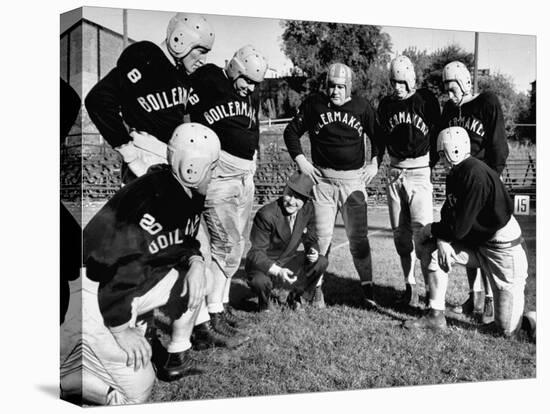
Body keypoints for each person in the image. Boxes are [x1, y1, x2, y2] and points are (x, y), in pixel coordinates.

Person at [60, 123, 222, 405]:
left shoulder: (181, 190)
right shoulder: (155, 201)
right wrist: (122, 329)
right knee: (137, 392)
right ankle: (65, 380)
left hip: (109, 286)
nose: (217, 173)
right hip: (90, 295)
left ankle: (174, 352)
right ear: (192, 168)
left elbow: (182, 240)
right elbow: (108, 268)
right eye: (213, 166)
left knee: (200, 276)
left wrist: (196, 260)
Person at [405, 127, 535, 342]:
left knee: (506, 331)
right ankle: (435, 316)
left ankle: (533, 321)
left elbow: (459, 228)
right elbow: (449, 214)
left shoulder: (475, 175)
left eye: (440, 153)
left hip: (502, 251)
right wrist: (440, 239)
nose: (439, 160)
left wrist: (432, 230)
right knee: (433, 251)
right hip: (478, 244)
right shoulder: (456, 173)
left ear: (452, 151)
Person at [283, 62, 380, 308]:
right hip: (323, 182)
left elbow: (378, 136)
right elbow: (291, 132)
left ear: (349, 87)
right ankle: (316, 291)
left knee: (358, 239)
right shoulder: (315, 103)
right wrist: (302, 161)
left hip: (353, 182)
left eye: (340, 87)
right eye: (331, 86)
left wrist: (375, 163)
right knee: (320, 238)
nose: (335, 91)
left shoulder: (361, 106)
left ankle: (368, 289)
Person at [187, 45, 268, 330]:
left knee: (236, 246)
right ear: (235, 68)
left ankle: (221, 303)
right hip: (220, 174)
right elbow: (185, 111)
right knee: (227, 244)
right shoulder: (208, 77)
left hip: (245, 175)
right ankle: (212, 313)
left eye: (255, 83)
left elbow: (252, 127)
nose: (249, 88)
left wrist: (254, 157)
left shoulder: (250, 93)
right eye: (246, 79)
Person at [85, 13, 215, 183]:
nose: (202, 60)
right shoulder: (146, 57)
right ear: (181, 39)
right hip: (145, 155)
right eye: (200, 51)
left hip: (172, 157)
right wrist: (128, 152)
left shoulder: (183, 75)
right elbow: (98, 100)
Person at [440, 61, 510, 322]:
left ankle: (490, 301)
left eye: (453, 88)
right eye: (446, 89)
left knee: (486, 242)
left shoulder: (487, 102)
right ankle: (475, 296)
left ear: (466, 82)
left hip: (483, 183)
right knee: (466, 238)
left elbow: (499, 147)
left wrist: (491, 182)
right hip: (461, 182)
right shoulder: (449, 108)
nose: (450, 94)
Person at [376, 55, 441, 308]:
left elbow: (437, 133)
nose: (397, 87)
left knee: (423, 235)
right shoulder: (386, 104)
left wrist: (430, 165)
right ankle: (410, 286)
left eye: (402, 82)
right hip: (394, 172)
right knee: (400, 237)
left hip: (419, 171)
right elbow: (381, 138)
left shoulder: (425, 100)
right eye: (394, 82)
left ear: (411, 80)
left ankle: (430, 294)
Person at [246, 172, 329, 311]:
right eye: (289, 194)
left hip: (288, 259)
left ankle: (297, 296)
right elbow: (255, 252)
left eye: (298, 198)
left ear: (306, 200)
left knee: (321, 261)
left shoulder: (308, 209)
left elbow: (311, 237)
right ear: (284, 190)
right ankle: (264, 303)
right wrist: (277, 271)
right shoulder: (266, 215)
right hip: (265, 263)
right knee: (259, 281)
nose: (291, 201)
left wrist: (312, 250)